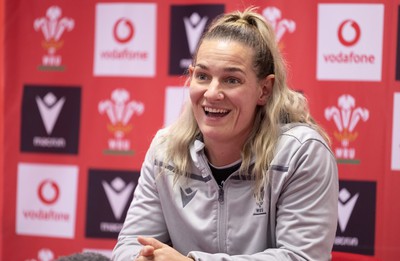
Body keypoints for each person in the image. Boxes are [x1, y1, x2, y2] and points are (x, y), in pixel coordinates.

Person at [112, 6, 338, 261]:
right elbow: (129, 245)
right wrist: (143, 258)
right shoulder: (165, 150)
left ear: (264, 90)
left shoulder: (302, 153)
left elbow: (301, 257)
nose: (211, 93)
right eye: (203, 76)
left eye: (232, 80)